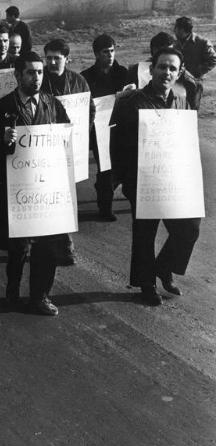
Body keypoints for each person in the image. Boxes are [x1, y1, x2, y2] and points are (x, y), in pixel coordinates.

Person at [0, 51, 71, 316]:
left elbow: (66, 138)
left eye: (40, 72)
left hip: (45, 188)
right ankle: (13, 287)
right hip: (16, 189)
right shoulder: (1, 108)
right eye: (31, 72)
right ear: (18, 75)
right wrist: (2, 140)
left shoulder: (52, 105)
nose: (37, 77)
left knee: (48, 244)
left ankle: (40, 295)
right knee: (18, 247)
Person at [110, 47, 200, 306]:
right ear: (152, 69)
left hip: (173, 180)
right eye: (162, 67)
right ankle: (146, 284)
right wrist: (123, 180)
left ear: (180, 72)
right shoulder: (131, 101)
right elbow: (117, 144)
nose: (167, 72)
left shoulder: (181, 98)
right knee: (145, 234)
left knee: (189, 228)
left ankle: (163, 266)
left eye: (173, 68)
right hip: (143, 180)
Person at [41, 38, 94, 265]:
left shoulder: (78, 81)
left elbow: (89, 110)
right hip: (44, 149)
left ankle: (63, 242)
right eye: (49, 58)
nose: (52, 62)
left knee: (66, 197)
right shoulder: (39, 79)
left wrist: (83, 132)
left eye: (57, 58)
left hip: (70, 148)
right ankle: (58, 242)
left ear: (67, 59)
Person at [81, 34, 128, 221]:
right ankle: (105, 207)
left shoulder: (124, 73)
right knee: (106, 169)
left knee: (122, 167)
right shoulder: (86, 77)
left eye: (112, 51)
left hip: (122, 129)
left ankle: (105, 190)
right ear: (96, 54)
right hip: (99, 131)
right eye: (105, 52)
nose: (109, 55)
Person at [174, 16, 216, 108]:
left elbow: (213, 60)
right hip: (177, 82)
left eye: (176, 28)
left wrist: (196, 72)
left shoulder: (202, 42)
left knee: (192, 110)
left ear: (182, 30)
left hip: (195, 83)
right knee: (178, 108)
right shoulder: (176, 43)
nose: (174, 31)